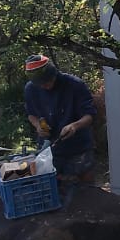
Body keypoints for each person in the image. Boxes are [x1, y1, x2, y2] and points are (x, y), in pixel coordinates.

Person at [23, 53, 97, 184]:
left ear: (54, 74)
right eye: (41, 84)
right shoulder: (31, 89)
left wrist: (74, 126)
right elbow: (31, 114)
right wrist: (38, 125)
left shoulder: (75, 85)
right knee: (53, 187)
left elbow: (90, 115)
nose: (44, 86)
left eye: (47, 81)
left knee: (85, 188)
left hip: (78, 147)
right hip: (49, 149)